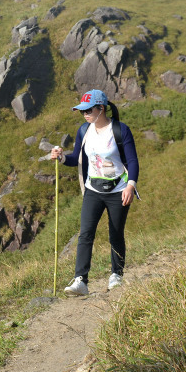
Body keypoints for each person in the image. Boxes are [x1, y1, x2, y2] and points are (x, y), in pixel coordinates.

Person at [50, 89, 139, 295]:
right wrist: (62, 158)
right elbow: (77, 159)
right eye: (82, 111)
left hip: (118, 189)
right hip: (93, 189)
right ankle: (81, 280)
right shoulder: (84, 130)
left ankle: (116, 274)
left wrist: (130, 185)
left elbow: (132, 161)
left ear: (101, 108)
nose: (85, 115)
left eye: (88, 110)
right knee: (85, 233)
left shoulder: (120, 130)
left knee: (115, 233)